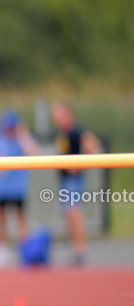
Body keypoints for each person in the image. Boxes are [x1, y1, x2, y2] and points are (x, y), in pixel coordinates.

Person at [0, 111, 39, 270]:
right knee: (1, 219)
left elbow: (34, 153)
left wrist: (22, 133)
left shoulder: (21, 139)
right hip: (1, 187)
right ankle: (0, 252)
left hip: (18, 187)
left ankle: (24, 252)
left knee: (21, 219)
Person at [51, 102, 102, 266]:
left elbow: (94, 146)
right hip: (65, 179)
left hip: (73, 179)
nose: (57, 119)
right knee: (68, 214)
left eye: (59, 115)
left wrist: (79, 165)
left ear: (68, 115)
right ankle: (76, 250)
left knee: (73, 212)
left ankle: (81, 250)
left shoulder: (76, 131)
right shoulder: (62, 133)